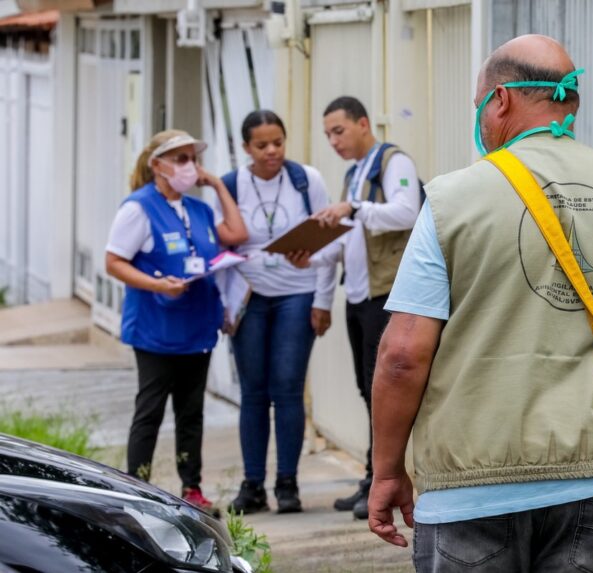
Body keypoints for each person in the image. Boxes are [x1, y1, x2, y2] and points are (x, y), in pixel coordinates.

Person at [367, 35, 593, 572]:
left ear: (501, 100)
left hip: (470, 489)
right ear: (568, 102)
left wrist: (388, 471)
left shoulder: (449, 201)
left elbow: (402, 356)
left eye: (480, 107)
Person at [106, 129, 248, 513]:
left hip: (196, 329)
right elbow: (113, 261)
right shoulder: (138, 207)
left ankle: (192, 488)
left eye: (194, 159)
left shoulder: (198, 209)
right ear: (158, 165)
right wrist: (156, 284)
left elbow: (237, 233)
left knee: (191, 412)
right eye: (182, 159)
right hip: (155, 329)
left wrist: (217, 184)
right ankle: (135, 487)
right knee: (149, 411)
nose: (191, 167)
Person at [294, 96, 422, 519]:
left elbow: (407, 212)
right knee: (367, 389)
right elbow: (351, 237)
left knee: (383, 389)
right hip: (358, 296)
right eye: (328, 134)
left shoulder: (392, 162)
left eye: (339, 130)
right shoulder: (354, 174)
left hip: (386, 295)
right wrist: (311, 256)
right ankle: (374, 476)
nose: (333, 141)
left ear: (364, 124)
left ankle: (384, 477)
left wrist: (356, 208)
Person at [219, 110, 336, 515]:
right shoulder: (232, 185)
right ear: (245, 147)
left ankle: (288, 483)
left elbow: (330, 244)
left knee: (287, 387)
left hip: (297, 295)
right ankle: (252, 485)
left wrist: (323, 301)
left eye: (278, 143)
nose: (272, 152)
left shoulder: (306, 181)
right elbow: (220, 251)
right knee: (253, 392)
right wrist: (224, 306)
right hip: (249, 298)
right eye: (262, 145)